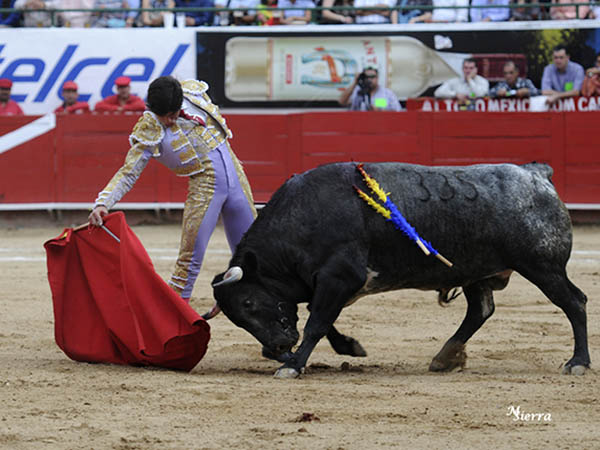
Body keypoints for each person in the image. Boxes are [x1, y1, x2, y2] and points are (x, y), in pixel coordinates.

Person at [88, 76, 257, 302]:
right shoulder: (150, 127)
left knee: (254, 253)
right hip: (205, 188)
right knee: (188, 262)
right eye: (163, 116)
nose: (168, 121)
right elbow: (129, 171)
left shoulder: (194, 94)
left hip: (237, 178)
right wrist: (103, 203)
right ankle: (172, 318)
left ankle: (261, 310)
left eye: (172, 114)